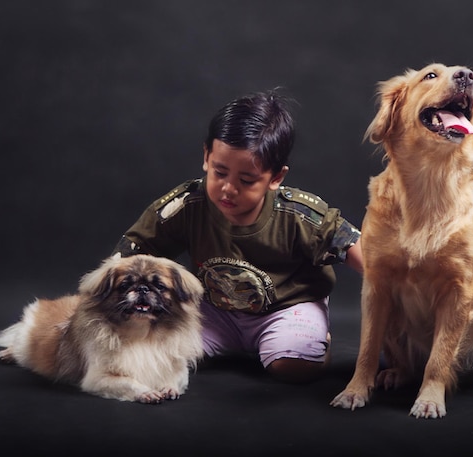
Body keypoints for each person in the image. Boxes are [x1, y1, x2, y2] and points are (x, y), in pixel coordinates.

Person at [112, 90, 363, 383]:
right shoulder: (186, 205)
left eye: (246, 181)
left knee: (291, 367)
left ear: (275, 178)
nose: (228, 189)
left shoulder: (299, 215)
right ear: (206, 156)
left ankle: (315, 343)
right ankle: (226, 343)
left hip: (287, 308)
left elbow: (367, 257)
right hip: (215, 310)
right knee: (167, 354)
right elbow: (129, 254)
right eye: (219, 173)